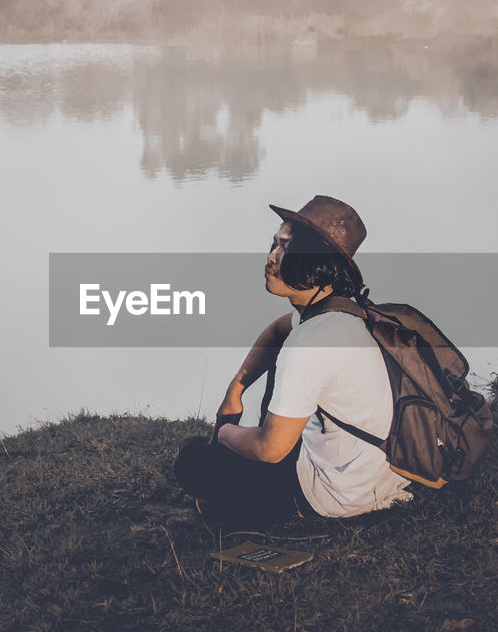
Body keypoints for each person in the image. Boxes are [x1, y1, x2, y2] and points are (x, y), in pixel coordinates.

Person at [174, 195, 412, 529]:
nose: (270, 258)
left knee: (193, 461)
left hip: (334, 497)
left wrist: (226, 432)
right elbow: (277, 329)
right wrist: (236, 388)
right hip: (373, 478)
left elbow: (271, 449)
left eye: (284, 248)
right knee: (212, 449)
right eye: (273, 244)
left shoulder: (310, 344)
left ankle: (246, 510)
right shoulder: (338, 313)